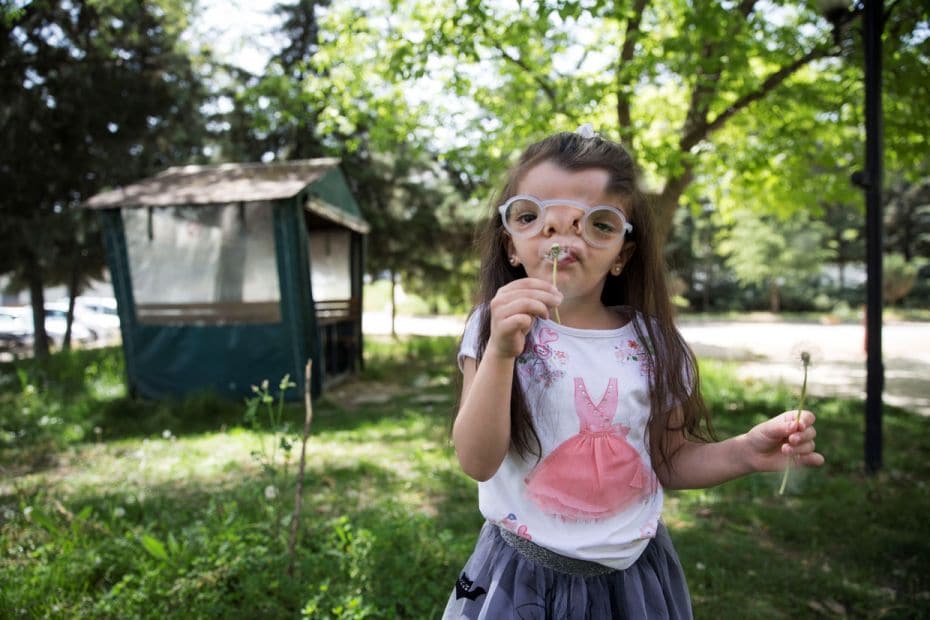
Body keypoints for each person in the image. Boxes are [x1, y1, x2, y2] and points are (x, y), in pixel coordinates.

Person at [442, 127, 825, 619]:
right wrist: (499, 352)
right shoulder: (491, 329)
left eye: (598, 223)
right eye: (532, 216)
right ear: (511, 244)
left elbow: (668, 462)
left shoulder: (655, 344)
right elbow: (477, 461)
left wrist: (744, 452)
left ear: (623, 253)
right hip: (522, 576)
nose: (563, 234)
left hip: (633, 582)